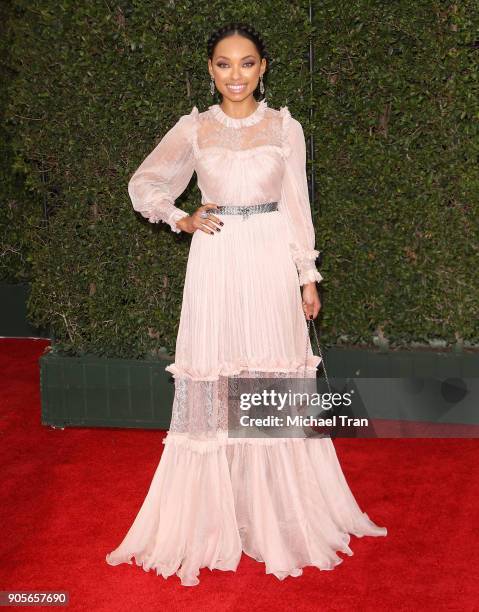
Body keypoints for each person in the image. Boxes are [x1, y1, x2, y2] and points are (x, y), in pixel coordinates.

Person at [106, 22, 387, 587]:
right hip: (214, 259)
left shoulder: (286, 128)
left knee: (270, 381)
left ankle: (275, 517)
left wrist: (306, 275)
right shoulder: (195, 128)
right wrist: (178, 216)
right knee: (217, 379)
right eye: (224, 63)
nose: (235, 75)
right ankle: (215, 519)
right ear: (210, 69)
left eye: (247, 63)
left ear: (263, 67)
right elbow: (146, 182)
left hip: (267, 262)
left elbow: (297, 206)